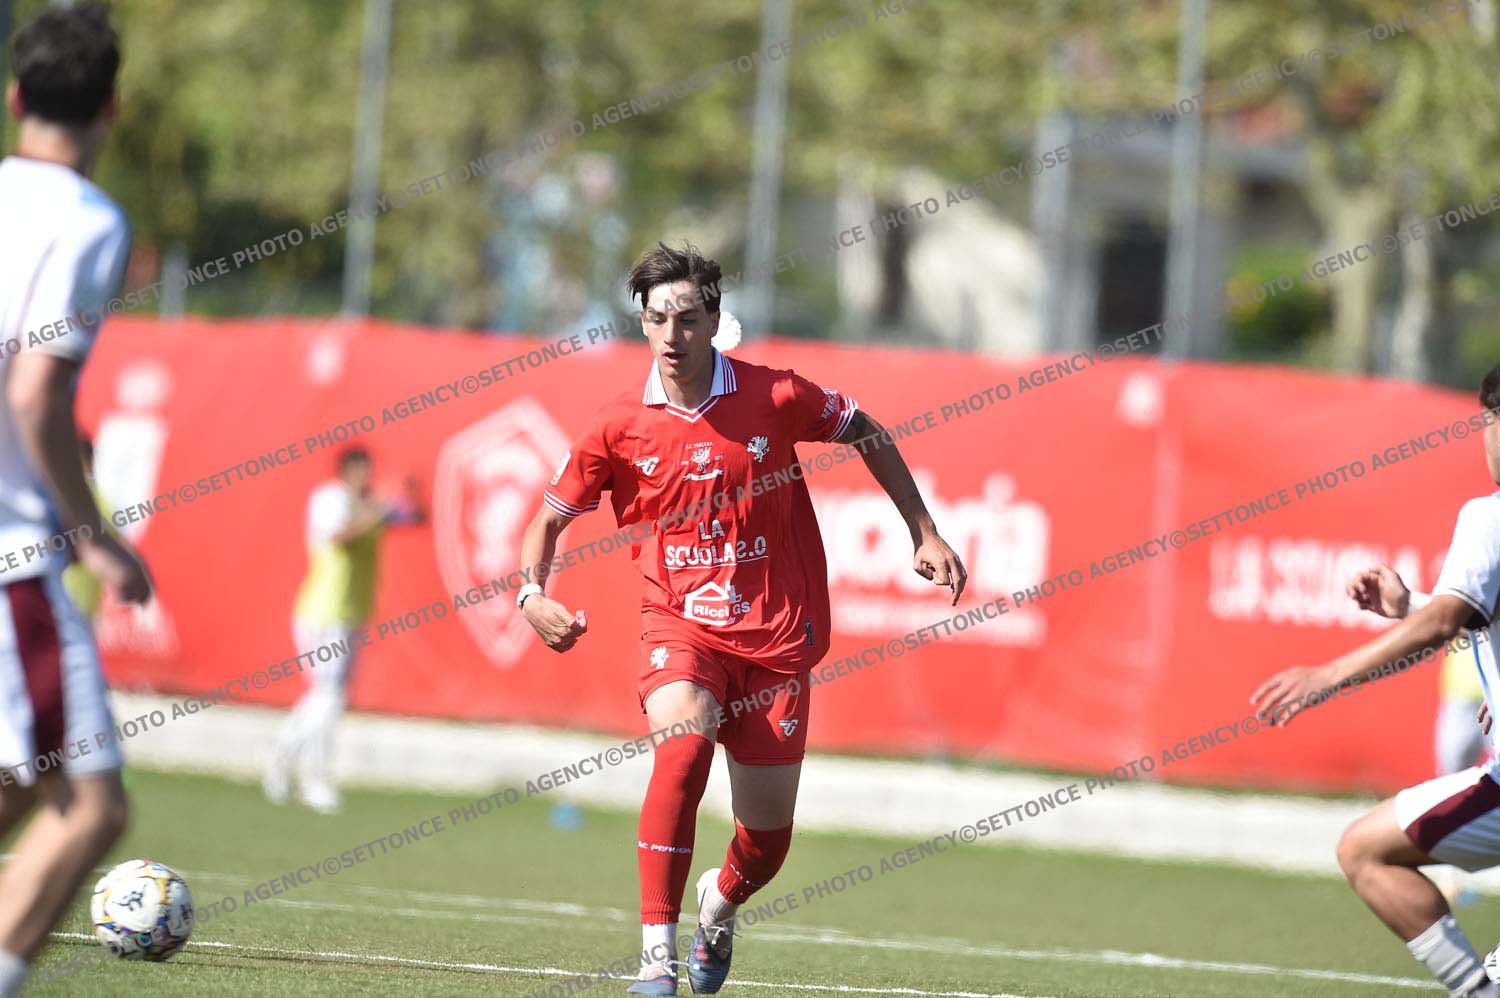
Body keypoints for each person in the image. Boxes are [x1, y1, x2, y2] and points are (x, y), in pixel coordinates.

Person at [516, 242, 967, 995]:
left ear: (714, 319)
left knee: (765, 844)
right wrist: (531, 597)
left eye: (687, 318)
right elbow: (548, 522)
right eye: (657, 319)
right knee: (683, 748)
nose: (672, 335)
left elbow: (866, 429)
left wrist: (924, 531)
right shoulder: (618, 424)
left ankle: (718, 906)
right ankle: (655, 958)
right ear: (641, 324)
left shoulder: (776, 396)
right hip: (679, 627)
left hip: (776, 636)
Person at [1251, 363, 1500, 998]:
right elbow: (1460, 614)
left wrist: (1328, 674)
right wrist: (1410, 603)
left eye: (1489, 421)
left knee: (1364, 851)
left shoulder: (1490, 515)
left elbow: (1447, 622)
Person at [0, 6, 154, 995]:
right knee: (90, 805)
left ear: (15, 96)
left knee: (23, 778)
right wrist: (92, 537)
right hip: (12, 557)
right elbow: (35, 393)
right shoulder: (90, 220)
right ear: (111, 109)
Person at [263, 447, 422, 813]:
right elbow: (340, 535)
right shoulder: (330, 499)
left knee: (330, 697)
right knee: (328, 696)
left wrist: (407, 494)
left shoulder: (368, 505)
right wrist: (381, 507)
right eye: (362, 470)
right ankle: (305, 770)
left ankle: (292, 762)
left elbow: (414, 517)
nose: (367, 477)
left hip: (351, 614)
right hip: (324, 612)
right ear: (347, 470)